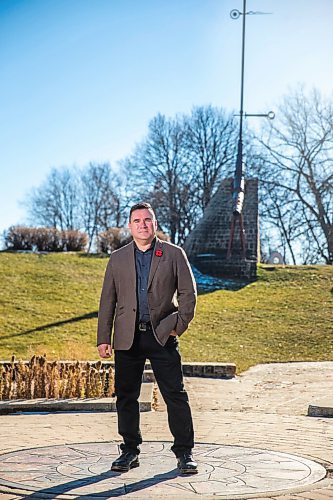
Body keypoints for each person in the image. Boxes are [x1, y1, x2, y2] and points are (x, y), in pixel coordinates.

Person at [97, 202, 198, 474]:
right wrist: (103, 337)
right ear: (130, 225)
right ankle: (129, 451)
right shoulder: (117, 258)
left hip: (162, 334)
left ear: (155, 224)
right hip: (127, 338)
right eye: (137, 220)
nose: (143, 224)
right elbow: (108, 300)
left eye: (147, 220)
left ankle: (184, 453)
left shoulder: (174, 254)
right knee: (126, 396)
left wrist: (179, 324)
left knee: (174, 394)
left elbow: (188, 294)